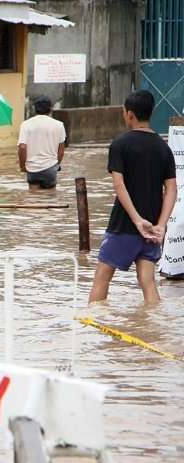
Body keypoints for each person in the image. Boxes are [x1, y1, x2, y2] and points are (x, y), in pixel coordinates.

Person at [88, 90, 177, 304]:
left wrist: (137, 221)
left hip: (124, 225)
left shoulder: (120, 144)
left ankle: (91, 329)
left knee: (102, 278)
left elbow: (119, 185)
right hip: (153, 228)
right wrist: (162, 225)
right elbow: (172, 189)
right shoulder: (163, 147)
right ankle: (153, 328)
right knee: (148, 281)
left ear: (129, 114)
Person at [18, 96, 66, 189]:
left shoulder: (26, 124)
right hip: (50, 167)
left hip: (32, 168)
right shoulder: (59, 125)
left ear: (34, 108)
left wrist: (22, 166)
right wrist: (56, 164)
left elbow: (22, 147)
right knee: (50, 198)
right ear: (50, 109)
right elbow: (61, 151)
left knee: (33, 199)